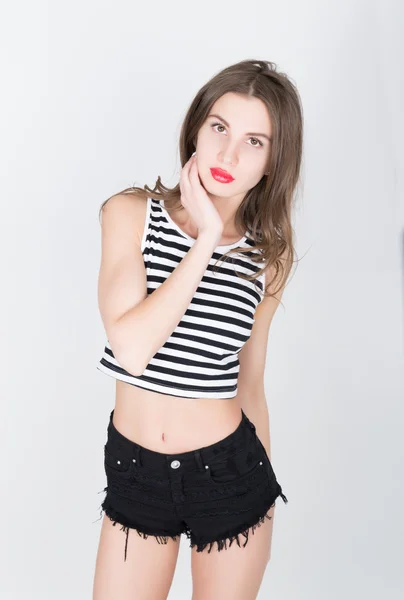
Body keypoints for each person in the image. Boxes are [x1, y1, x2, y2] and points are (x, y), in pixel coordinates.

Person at [92, 59, 303, 600]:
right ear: (196, 130)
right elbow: (132, 347)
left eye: (255, 141)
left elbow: (250, 383)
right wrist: (205, 238)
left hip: (231, 476)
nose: (229, 154)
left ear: (274, 161)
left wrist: (263, 494)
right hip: (137, 475)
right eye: (220, 128)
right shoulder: (130, 214)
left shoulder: (269, 259)